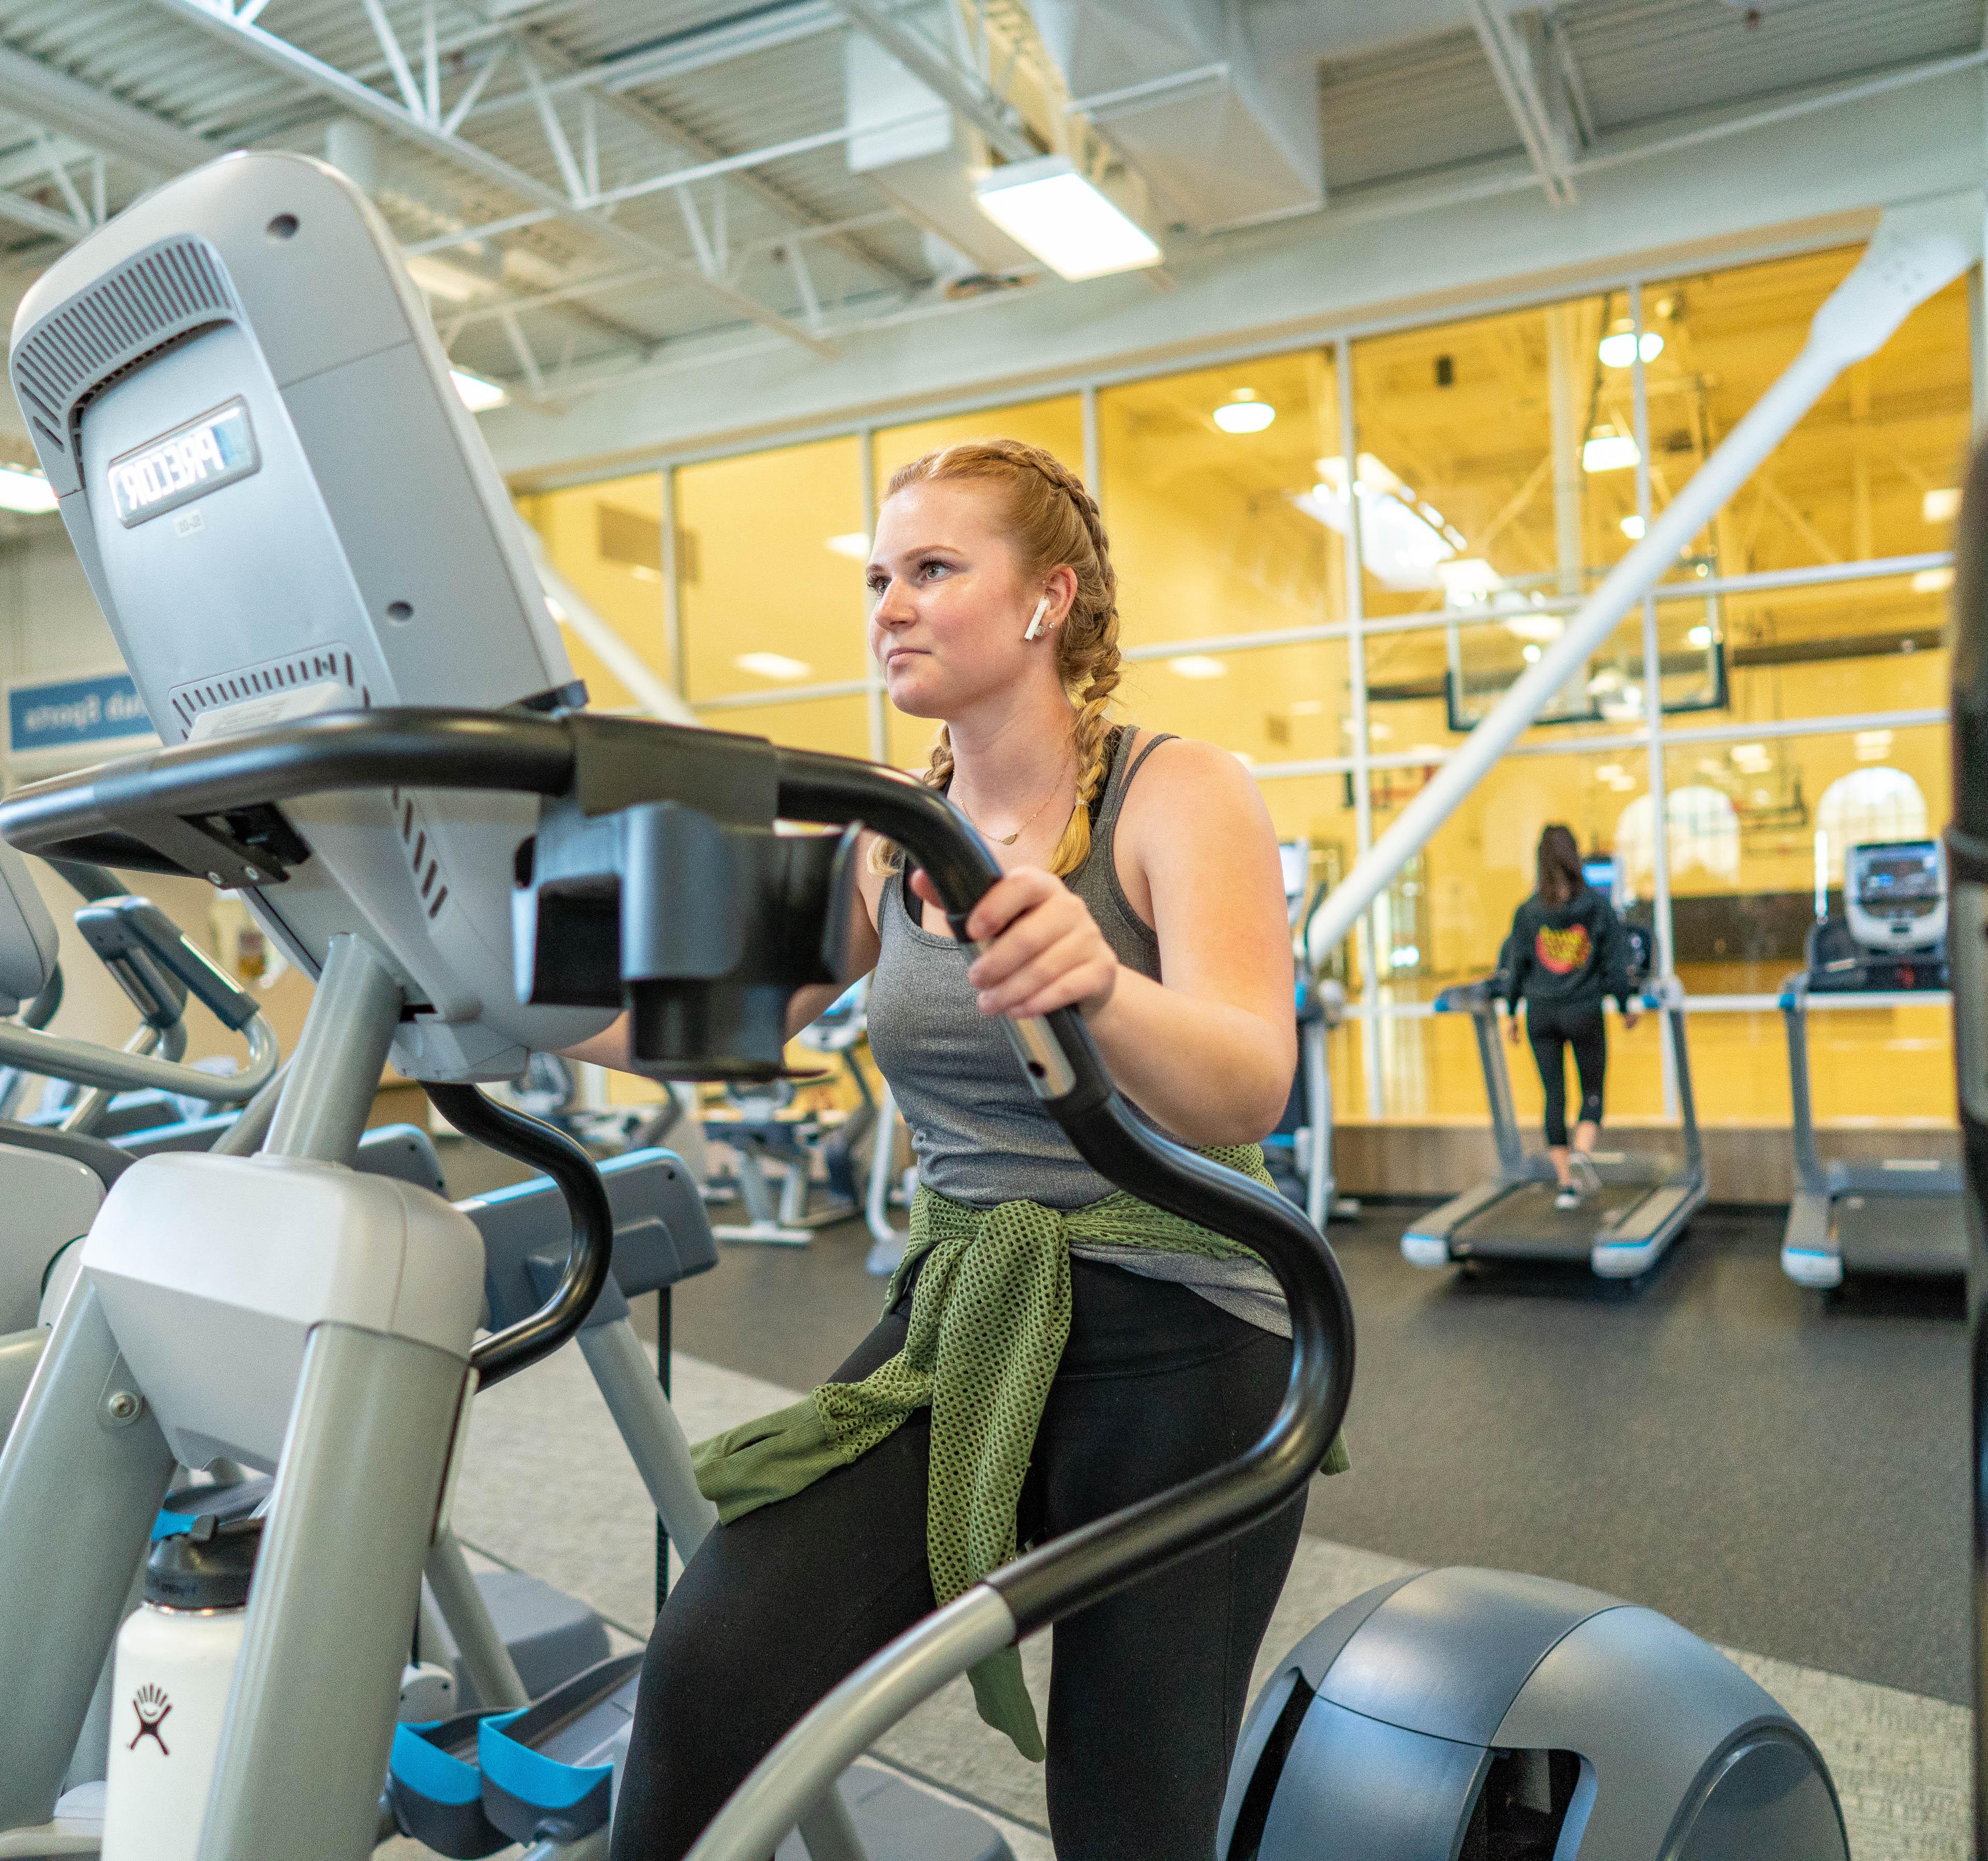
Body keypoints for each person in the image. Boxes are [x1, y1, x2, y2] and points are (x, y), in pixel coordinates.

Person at [572, 437, 1337, 1861]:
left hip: (1188, 1335)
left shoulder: (1181, 791)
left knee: (1128, 1814)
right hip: (971, 1316)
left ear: (1047, 601)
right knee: (713, 1671)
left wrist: (1099, 980)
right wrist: (506, 1002)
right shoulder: (890, 830)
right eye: (878, 577)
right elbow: (702, 1020)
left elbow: (1251, 1086)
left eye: (932, 570)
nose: (889, 605)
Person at [1498, 825, 1640, 1210]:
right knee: (1593, 1090)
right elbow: (1614, 964)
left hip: (1540, 1015)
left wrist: (1510, 1012)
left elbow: (1517, 966)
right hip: (1583, 1010)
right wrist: (1626, 1006)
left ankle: (1566, 1186)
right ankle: (1581, 1153)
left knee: (1554, 1097)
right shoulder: (1596, 906)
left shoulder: (1527, 912)